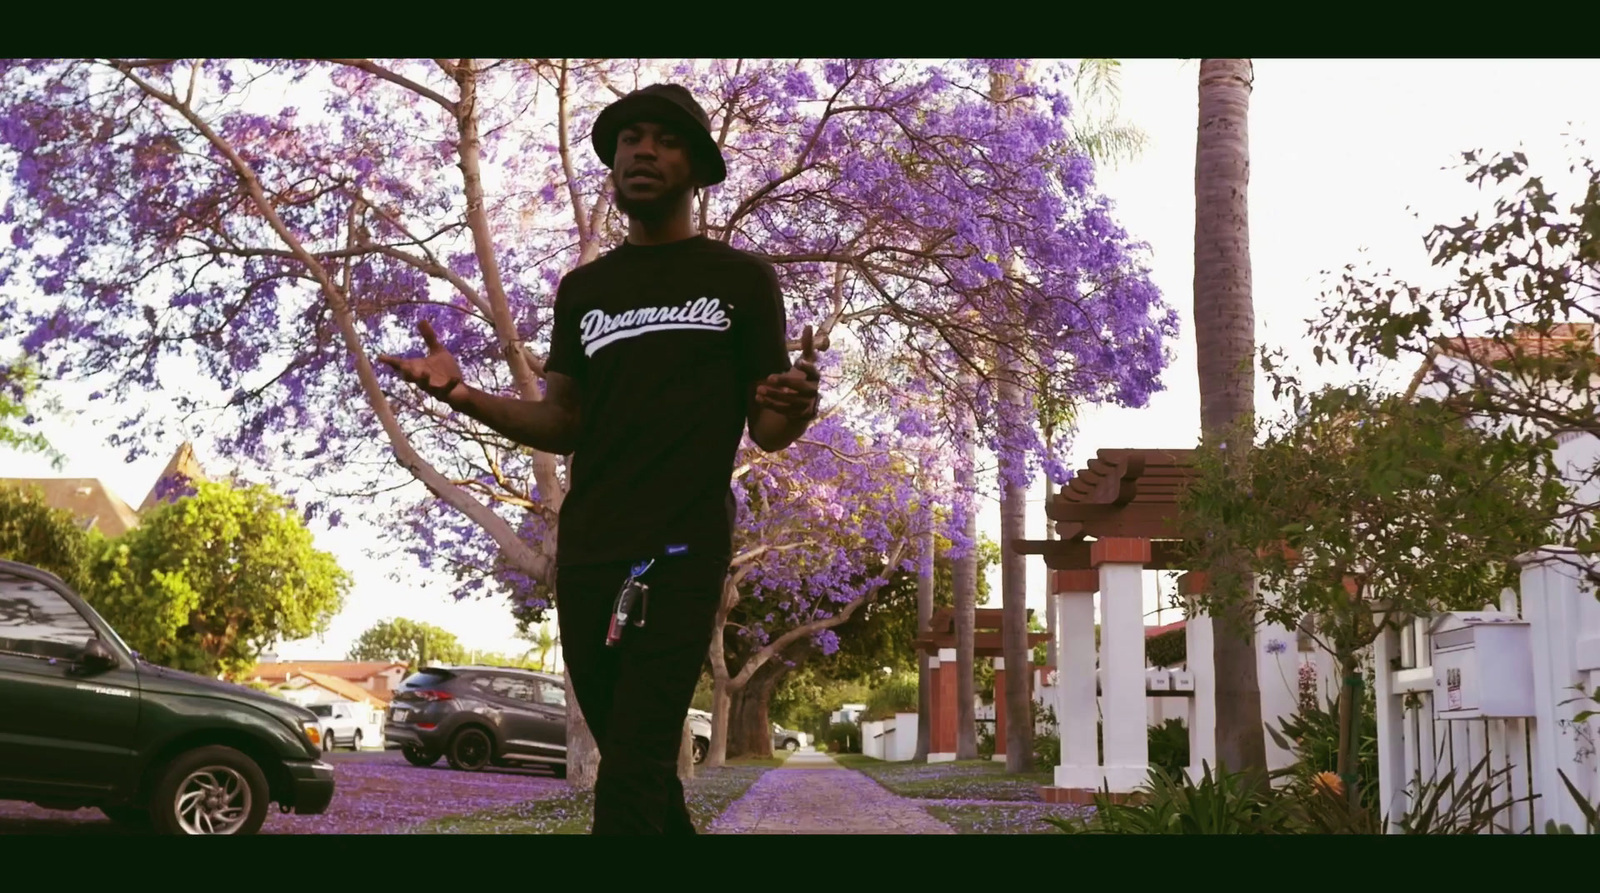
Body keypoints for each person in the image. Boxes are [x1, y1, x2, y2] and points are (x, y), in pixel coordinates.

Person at [378, 82, 821, 834]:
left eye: (665, 139)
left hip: (682, 551)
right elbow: (562, 418)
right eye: (628, 139)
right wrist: (462, 394)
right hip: (589, 556)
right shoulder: (585, 290)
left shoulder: (740, 281)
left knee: (633, 770)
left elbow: (767, 425)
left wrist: (793, 402)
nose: (642, 151)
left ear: (698, 167)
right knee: (636, 764)